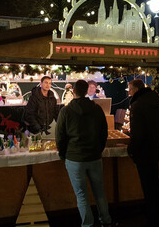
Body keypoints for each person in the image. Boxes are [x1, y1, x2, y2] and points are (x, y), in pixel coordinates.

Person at [56, 80, 114, 227]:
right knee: (100, 192)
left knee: (82, 196)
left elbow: (60, 136)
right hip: (94, 156)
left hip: (74, 158)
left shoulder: (66, 111)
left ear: (73, 92)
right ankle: (106, 221)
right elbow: (104, 132)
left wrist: (63, 154)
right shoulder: (97, 109)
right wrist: (98, 149)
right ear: (87, 90)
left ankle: (88, 224)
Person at [127, 79, 159, 227]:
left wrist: (131, 150)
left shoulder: (138, 105)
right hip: (155, 149)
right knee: (155, 182)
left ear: (136, 89)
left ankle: (152, 216)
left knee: (147, 185)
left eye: (130, 89)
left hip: (143, 153)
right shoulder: (155, 101)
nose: (129, 93)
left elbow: (137, 134)